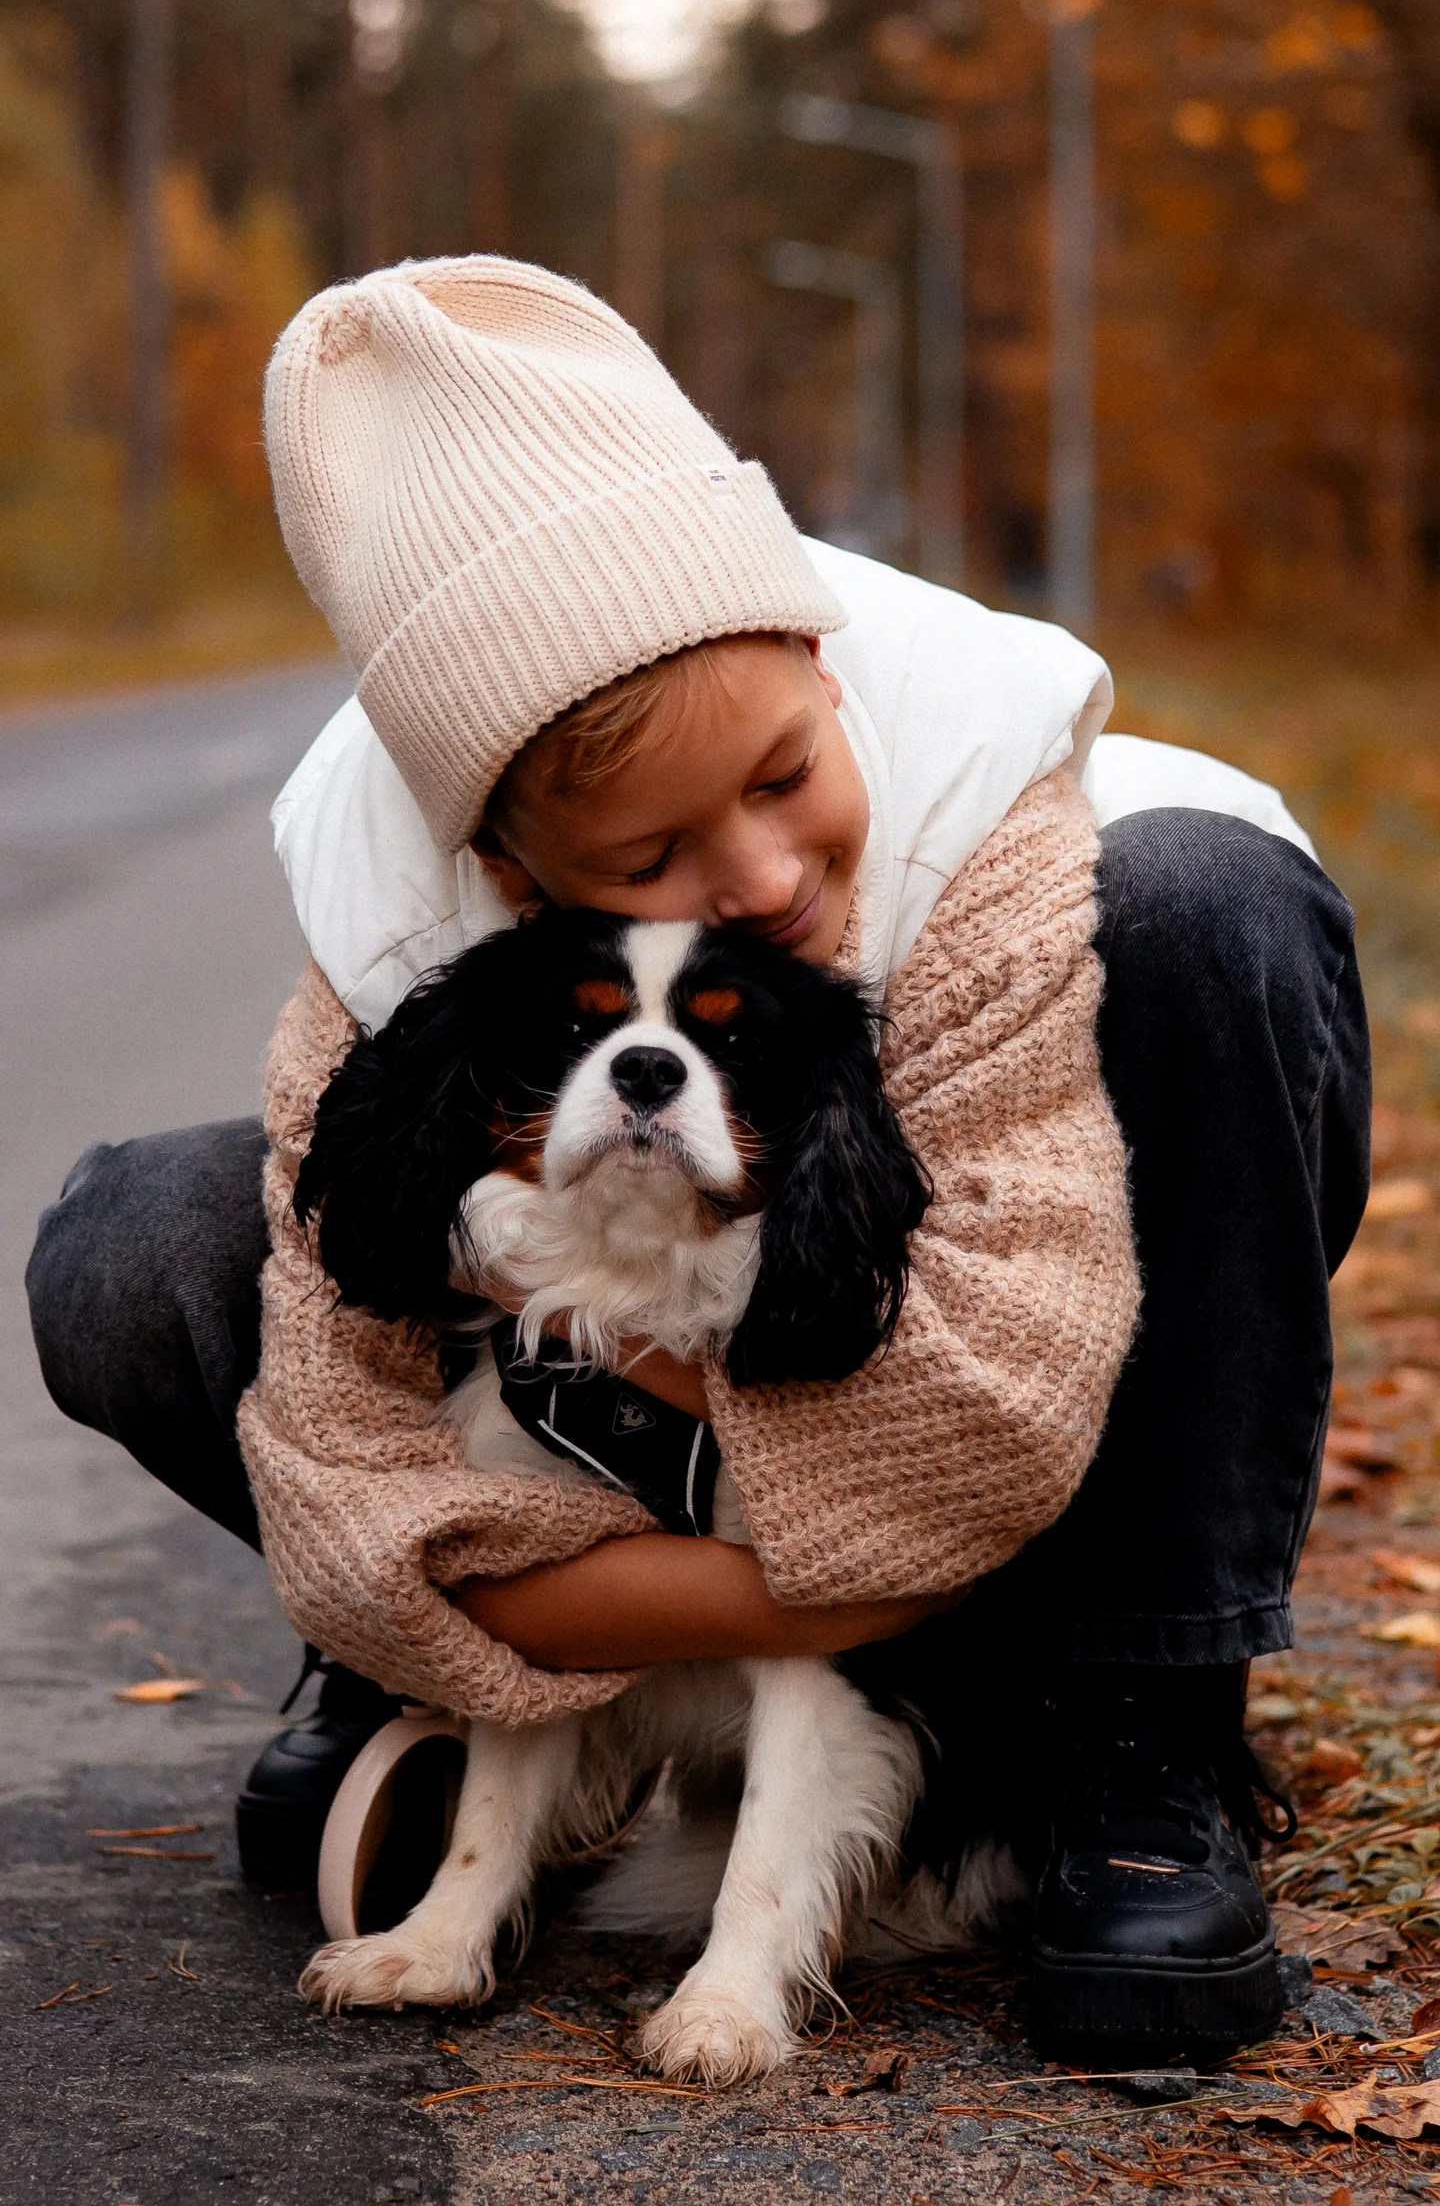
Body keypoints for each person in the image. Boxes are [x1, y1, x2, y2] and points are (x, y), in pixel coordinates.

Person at [27, 256, 1369, 2063]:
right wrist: (446, 1598)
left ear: (823, 661)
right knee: (136, 1239)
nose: (750, 882)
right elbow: (337, 1439)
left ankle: (1147, 1719)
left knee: (1211, 918)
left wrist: (778, 1587)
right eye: (648, 858)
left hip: (1090, 1287)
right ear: (511, 877)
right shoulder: (395, 903)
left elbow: (990, 1417)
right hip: (692, 1451)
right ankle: (433, 1687)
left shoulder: (997, 812)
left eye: (784, 776)